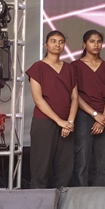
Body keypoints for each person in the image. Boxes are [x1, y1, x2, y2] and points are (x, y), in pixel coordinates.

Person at [27, 30, 79, 189]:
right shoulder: (38, 67)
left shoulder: (69, 68)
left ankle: (61, 201)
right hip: (44, 122)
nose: (57, 44)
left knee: (65, 167)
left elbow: (75, 97)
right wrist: (59, 121)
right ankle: (39, 202)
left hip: (67, 124)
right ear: (46, 45)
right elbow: (38, 99)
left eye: (61, 41)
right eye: (53, 41)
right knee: (41, 165)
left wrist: (69, 122)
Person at [71, 30, 105, 187]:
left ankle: (100, 195)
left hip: (104, 116)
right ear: (84, 44)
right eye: (92, 41)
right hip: (83, 116)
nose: (96, 44)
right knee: (81, 160)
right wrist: (95, 114)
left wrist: (103, 118)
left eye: (99, 41)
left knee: (104, 162)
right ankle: (80, 195)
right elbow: (75, 95)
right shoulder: (75, 66)